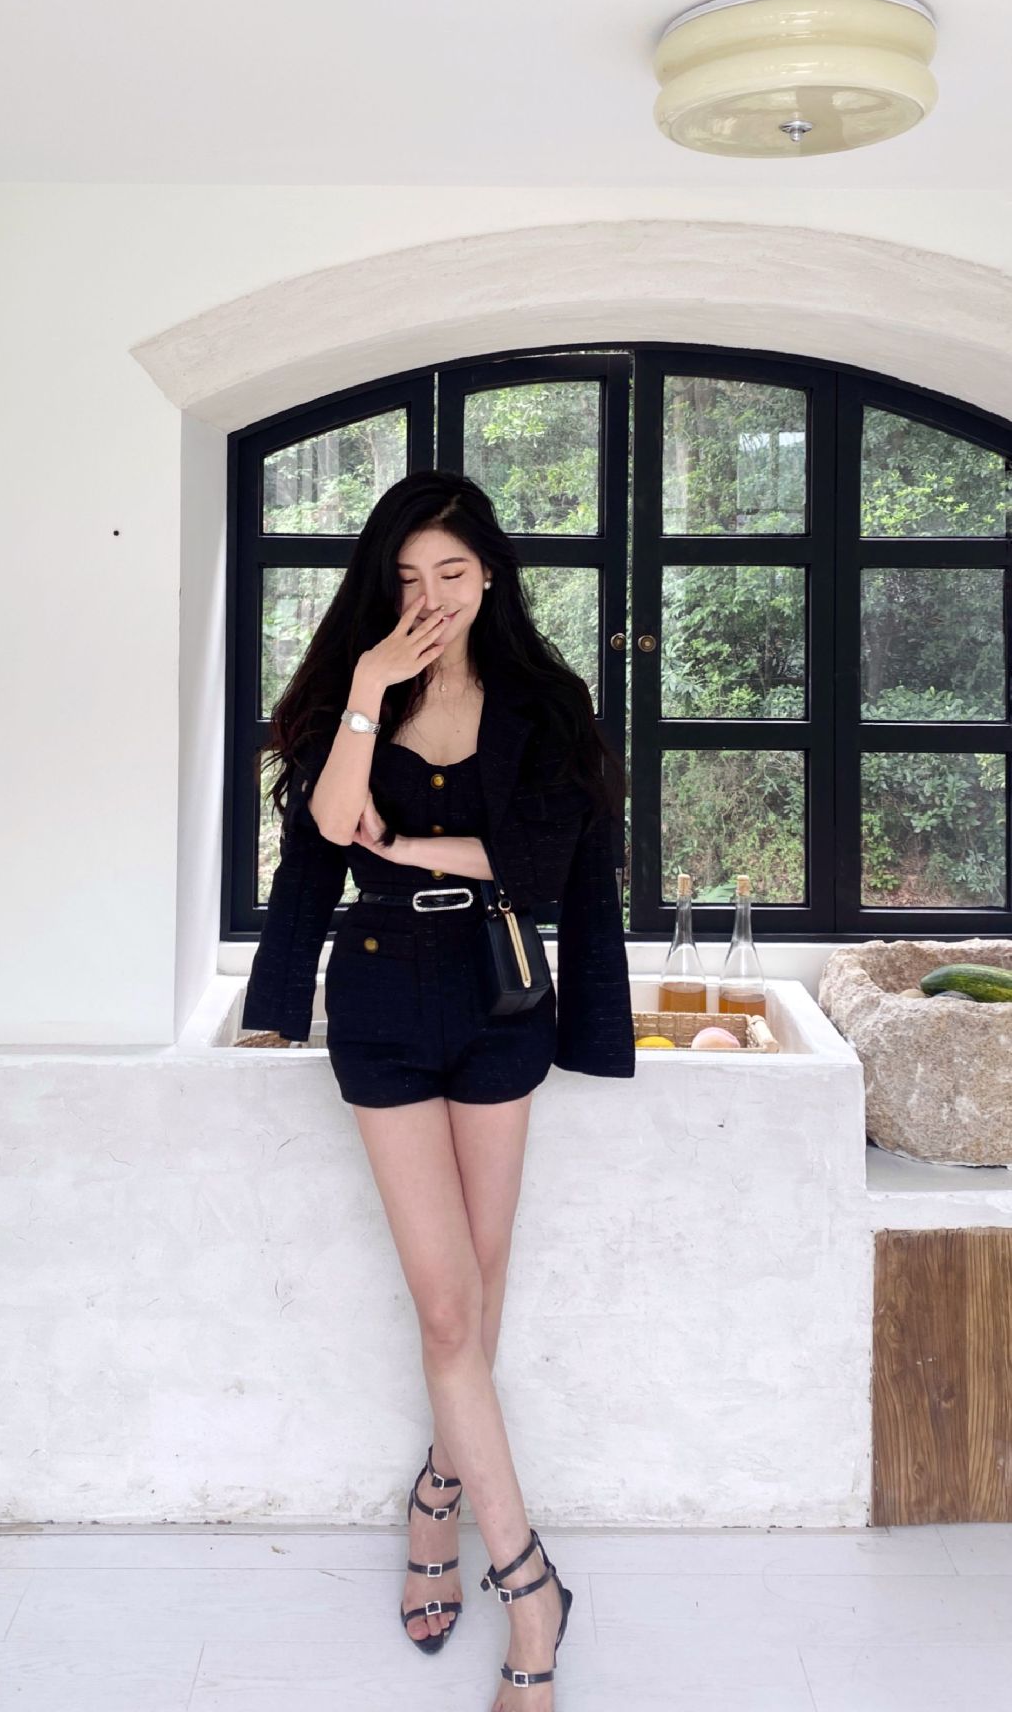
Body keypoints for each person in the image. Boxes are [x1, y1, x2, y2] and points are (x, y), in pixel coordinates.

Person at [237, 470, 634, 1709]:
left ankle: (438, 1494)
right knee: (450, 1308)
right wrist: (366, 688)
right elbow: (329, 822)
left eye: (451, 574)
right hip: (381, 1000)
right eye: (407, 578)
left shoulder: (545, 703)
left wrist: (407, 847)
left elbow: (540, 864)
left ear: (490, 576)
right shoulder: (354, 696)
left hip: (499, 994)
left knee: (482, 1283)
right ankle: (529, 1589)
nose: (430, 598)